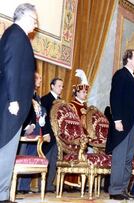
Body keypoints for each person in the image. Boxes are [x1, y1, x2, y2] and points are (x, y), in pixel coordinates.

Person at [0, 3, 38, 201]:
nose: (36, 24)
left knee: (7, 150)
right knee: (5, 150)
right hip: (10, 104)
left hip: (11, 104)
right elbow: (11, 68)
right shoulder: (16, 35)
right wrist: (14, 99)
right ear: (25, 16)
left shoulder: (16, 35)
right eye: (35, 20)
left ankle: (3, 194)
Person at [106, 49, 134, 201]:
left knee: (128, 157)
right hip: (122, 122)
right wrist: (117, 120)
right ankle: (115, 190)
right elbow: (115, 97)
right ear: (129, 59)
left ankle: (123, 189)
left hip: (132, 122)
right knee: (120, 157)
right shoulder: (121, 74)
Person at [17, 72, 47, 193]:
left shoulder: (37, 97)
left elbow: (39, 111)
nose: (40, 80)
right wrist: (27, 125)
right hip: (27, 130)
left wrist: (43, 115)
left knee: (31, 158)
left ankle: (24, 187)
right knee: (21, 156)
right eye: (38, 78)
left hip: (36, 131)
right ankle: (16, 187)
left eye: (40, 78)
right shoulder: (25, 93)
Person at [41, 77, 64, 192]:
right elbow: (42, 118)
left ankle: (49, 185)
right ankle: (42, 186)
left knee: (54, 161)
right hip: (49, 135)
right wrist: (45, 133)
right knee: (46, 160)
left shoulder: (61, 101)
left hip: (58, 137)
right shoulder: (45, 99)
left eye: (62, 86)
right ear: (52, 86)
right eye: (59, 86)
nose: (61, 88)